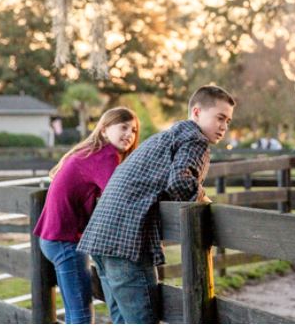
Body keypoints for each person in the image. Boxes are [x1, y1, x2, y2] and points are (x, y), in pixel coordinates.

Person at [77, 85, 236, 324]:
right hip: (125, 243)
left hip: (100, 238)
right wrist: (203, 198)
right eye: (220, 118)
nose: (224, 126)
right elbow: (181, 182)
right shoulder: (196, 140)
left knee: (121, 320)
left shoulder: (165, 136)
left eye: (228, 121)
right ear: (196, 112)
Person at [33, 107, 141, 324]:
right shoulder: (106, 156)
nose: (129, 134)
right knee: (81, 316)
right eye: (123, 127)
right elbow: (120, 195)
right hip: (65, 241)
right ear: (103, 130)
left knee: (75, 313)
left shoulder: (91, 153)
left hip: (52, 239)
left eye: (134, 130)